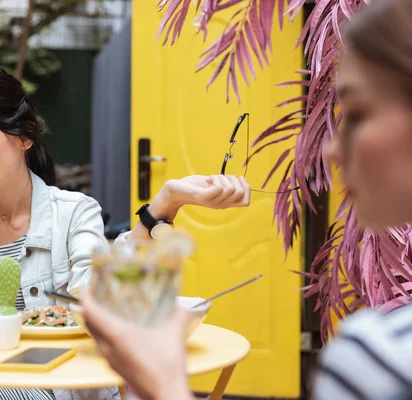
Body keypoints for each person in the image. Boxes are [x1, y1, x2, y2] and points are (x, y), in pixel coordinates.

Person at [0, 66, 251, 400]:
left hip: (49, 385)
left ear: (25, 137)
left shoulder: (73, 214)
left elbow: (101, 291)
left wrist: (165, 203)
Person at [82, 0, 412, 398]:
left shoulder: (379, 359)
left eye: (357, 113)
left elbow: (98, 295)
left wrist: (163, 383)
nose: (329, 152)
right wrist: (167, 200)